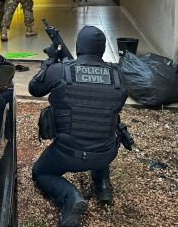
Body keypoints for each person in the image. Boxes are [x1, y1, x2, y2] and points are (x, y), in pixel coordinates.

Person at [28, 26, 128, 227]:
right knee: (99, 124)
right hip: (106, 152)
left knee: (41, 172)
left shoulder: (60, 71)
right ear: (102, 50)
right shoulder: (118, 76)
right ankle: (102, 186)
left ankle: (71, 197)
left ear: (78, 46)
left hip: (67, 154)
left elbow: (34, 89)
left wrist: (50, 62)